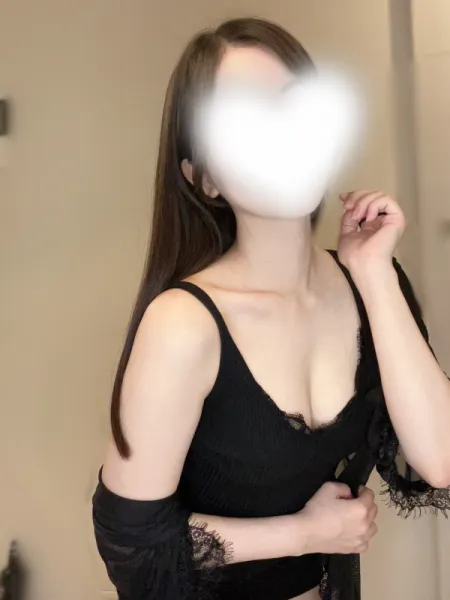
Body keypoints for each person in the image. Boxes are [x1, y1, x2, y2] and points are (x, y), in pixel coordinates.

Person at [92, 16, 450, 600]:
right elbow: (135, 550)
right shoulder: (184, 325)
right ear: (204, 177)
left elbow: (439, 458)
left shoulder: (371, 282)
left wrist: (373, 273)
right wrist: (306, 533)